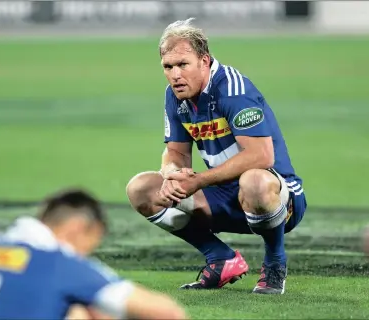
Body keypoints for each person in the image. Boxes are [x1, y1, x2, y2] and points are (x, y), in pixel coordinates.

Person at [126, 18, 307, 294]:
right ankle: (220, 258)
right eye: (168, 67)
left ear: (204, 61)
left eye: (183, 64)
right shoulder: (175, 97)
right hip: (223, 197)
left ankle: (274, 262)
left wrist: (198, 181)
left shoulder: (233, 90)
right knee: (141, 189)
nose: (175, 74)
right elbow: (176, 150)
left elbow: (262, 156)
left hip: (278, 200)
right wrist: (171, 173)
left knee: (254, 181)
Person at [0, 189, 187, 319]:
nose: (87, 253)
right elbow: (168, 312)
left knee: (79, 311)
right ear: (78, 229)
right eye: (92, 242)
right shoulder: (58, 263)